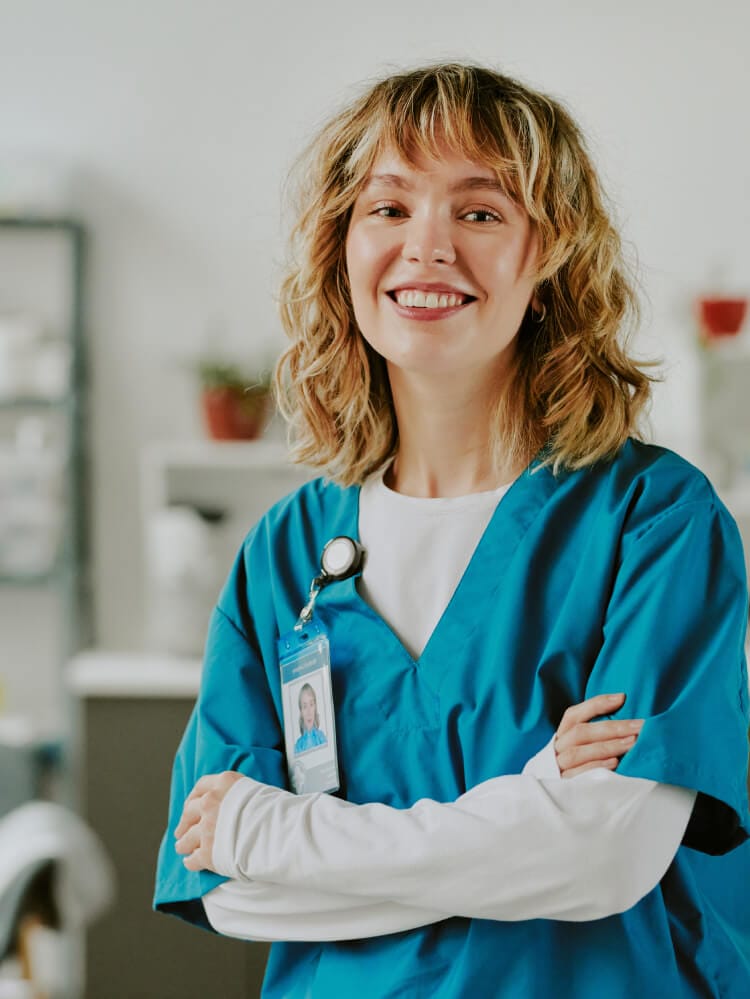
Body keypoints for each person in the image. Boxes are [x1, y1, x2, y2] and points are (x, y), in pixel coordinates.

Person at [154, 63, 750, 997]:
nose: (426, 248)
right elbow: (227, 887)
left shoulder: (654, 520)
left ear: (549, 255)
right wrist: (530, 808)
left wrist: (277, 834)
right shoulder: (285, 550)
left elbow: (602, 859)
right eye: (387, 209)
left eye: (479, 212)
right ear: (340, 249)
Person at [294, 683, 327, 754]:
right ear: (301, 711)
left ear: (315, 707)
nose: (309, 712)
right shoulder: (298, 745)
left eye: (311, 704)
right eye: (305, 706)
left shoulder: (321, 738)